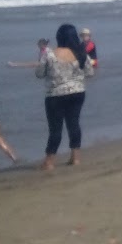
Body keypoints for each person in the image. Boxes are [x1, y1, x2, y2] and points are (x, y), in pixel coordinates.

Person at [36, 23, 93, 169]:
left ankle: (49, 161)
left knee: (55, 129)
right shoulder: (81, 53)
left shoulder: (49, 54)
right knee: (73, 124)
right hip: (78, 93)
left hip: (56, 94)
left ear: (58, 37)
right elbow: (90, 73)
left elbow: (39, 74)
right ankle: (76, 158)